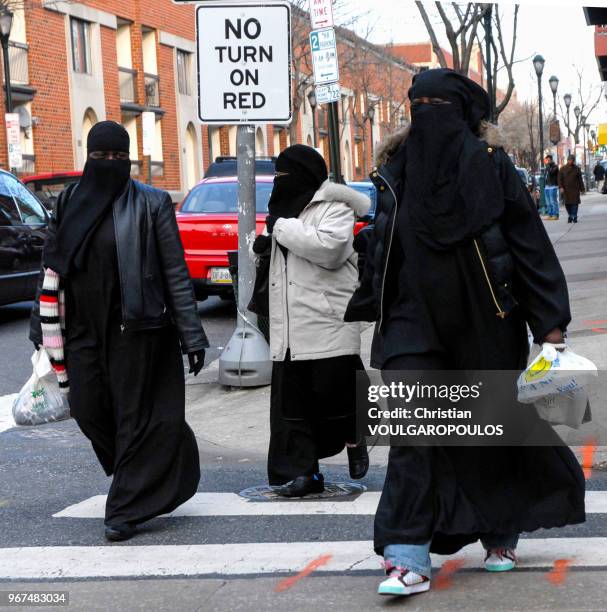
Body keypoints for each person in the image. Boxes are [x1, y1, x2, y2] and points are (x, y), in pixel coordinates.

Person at [345, 69, 585, 598]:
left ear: (462, 114)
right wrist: (369, 288)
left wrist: (550, 325)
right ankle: (406, 553)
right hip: (411, 322)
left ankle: (501, 531)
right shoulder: (394, 170)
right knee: (413, 434)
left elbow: (528, 246)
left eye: (437, 103)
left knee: (489, 432)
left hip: (486, 318)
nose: (426, 112)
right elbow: (384, 245)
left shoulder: (494, 168)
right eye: (418, 103)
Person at [30, 121, 208, 542]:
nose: (110, 164)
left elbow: (174, 272)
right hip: (82, 332)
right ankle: (163, 458)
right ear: (88, 158)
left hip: (138, 330)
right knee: (89, 409)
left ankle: (125, 507)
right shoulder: (69, 201)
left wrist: (192, 333)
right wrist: (40, 325)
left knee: (134, 419)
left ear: (128, 158)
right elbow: (51, 267)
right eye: (100, 157)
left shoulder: (152, 202)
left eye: (118, 157)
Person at [255, 144, 372, 498]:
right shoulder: (282, 211)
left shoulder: (334, 207)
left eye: (283, 175)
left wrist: (281, 229)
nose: (279, 182)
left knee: (337, 396)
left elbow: (331, 249)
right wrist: (260, 245)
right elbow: (279, 253)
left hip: (327, 320)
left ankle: (355, 435)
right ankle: (303, 473)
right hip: (289, 326)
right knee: (293, 408)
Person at [559, 155, 586, 223]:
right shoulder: (562, 169)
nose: (570, 161)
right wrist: (561, 187)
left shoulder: (577, 169)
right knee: (567, 204)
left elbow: (580, 180)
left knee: (575, 203)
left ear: (573, 161)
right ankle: (570, 215)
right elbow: (559, 179)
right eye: (569, 160)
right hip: (566, 189)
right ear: (567, 160)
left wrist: (582, 189)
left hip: (575, 189)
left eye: (572, 160)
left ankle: (574, 216)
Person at [543, 154, 560, 220]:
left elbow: (551, 173)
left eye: (548, 160)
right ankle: (550, 214)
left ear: (551, 160)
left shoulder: (555, 167)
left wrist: (548, 166)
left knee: (553, 201)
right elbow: (545, 176)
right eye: (546, 160)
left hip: (553, 186)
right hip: (547, 186)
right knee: (548, 202)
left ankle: (555, 214)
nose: (547, 161)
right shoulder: (547, 167)